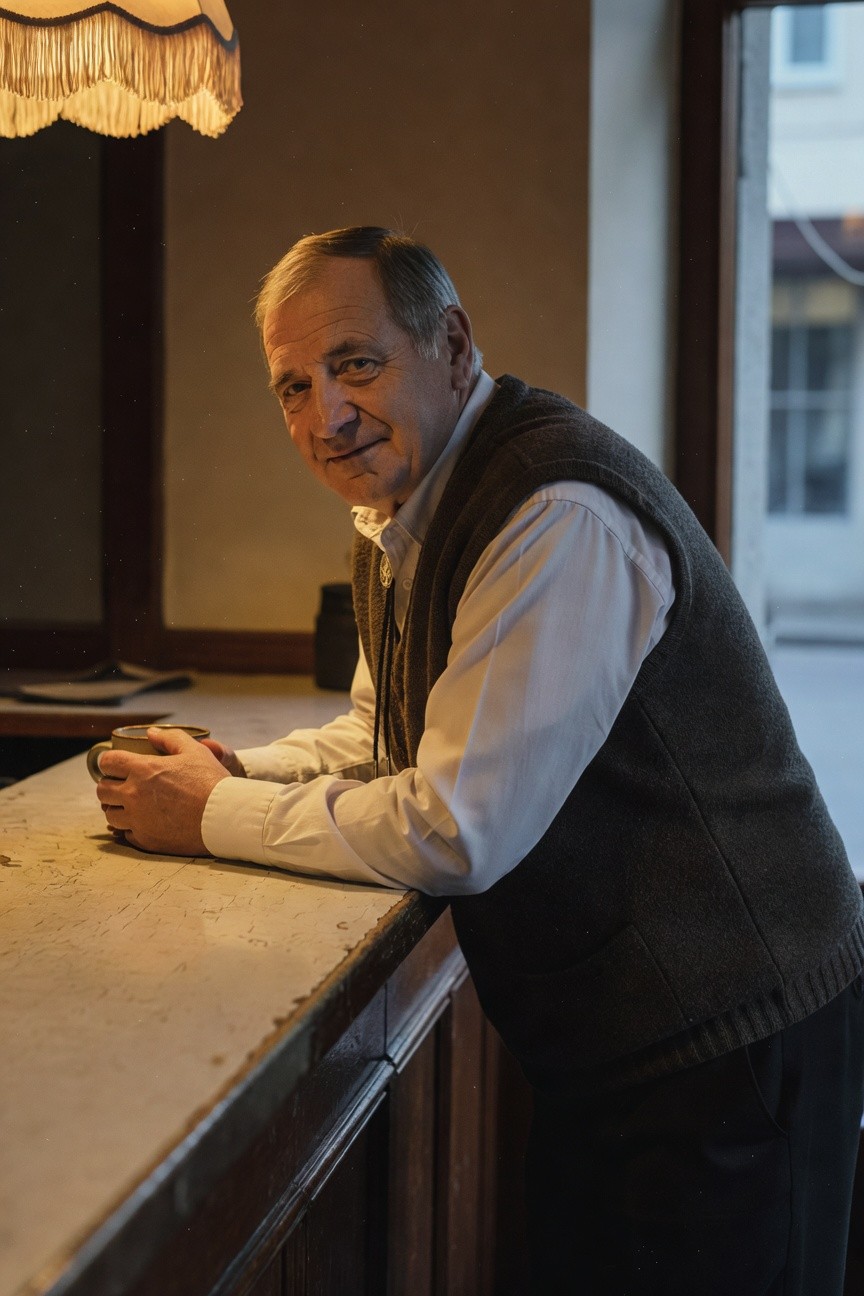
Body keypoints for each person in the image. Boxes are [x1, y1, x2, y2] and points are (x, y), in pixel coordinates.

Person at [96, 226, 864, 1294]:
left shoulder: (552, 513)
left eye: (355, 363)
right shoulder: (403, 511)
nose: (327, 415)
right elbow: (386, 740)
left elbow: (459, 826)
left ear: (452, 343)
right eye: (292, 387)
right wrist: (235, 772)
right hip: (622, 1040)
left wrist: (208, 815)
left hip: (730, 1036)